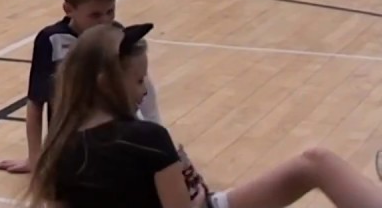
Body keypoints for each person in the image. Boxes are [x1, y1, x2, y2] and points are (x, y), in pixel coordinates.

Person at [28, 23, 382, 208]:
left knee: (313, 163)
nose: (144, 90)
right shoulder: (148, 140)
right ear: (106, 82)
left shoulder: (58, 151)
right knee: (316, 162)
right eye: (138, 80)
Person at [0, 0, 162, 175]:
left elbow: (137, 89)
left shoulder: (114, 35)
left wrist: (155, 130)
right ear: (69, 9)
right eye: (95, 15)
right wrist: (34, 157)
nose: (105, 20)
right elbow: (36, 103)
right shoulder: (52, 40)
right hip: (70, 144)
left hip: (111, 137)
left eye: (110, 11)